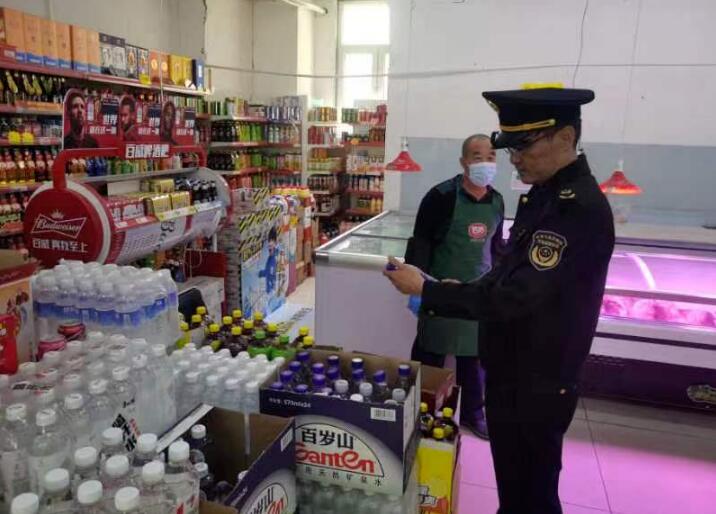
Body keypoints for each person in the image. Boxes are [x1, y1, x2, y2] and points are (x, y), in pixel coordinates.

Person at [384, 86, 615, 514]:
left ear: (565, 137)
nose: (513, 158)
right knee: (515, 487)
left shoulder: (575, 208)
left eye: (523, 145)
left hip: (537, 379)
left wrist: (428, 290)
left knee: (532, 493)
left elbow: (513, 296)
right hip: (515, 370)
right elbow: (507, 269)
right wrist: (444, 286)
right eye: (510, 148)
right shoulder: (543, 196)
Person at [406, 133, 504, 439]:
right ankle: (420, 412)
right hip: (439, 290)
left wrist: (499, 286)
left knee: (474, 358)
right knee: (431, 353)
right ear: (463, 162)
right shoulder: (441, 196)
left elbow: (496, 248)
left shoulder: (497, 201)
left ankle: (474, 414)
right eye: (477, 157)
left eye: (491, 157)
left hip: (477, 294)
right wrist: (418, 288)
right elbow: (421, 244)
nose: (485, 163)